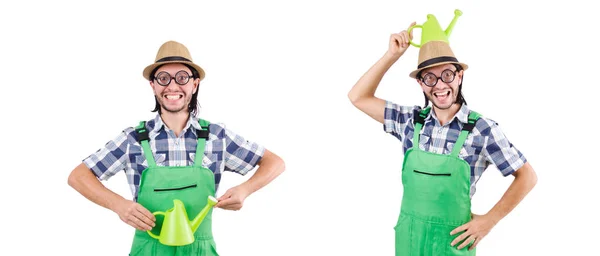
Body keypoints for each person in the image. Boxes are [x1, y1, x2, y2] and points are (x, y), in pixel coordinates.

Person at [67, 40, 285, 256]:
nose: (172, 86)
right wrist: (119, 205)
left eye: (182, 77)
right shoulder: (132, 139)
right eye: (163, 78)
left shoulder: (218, 136)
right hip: (149, 249)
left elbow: (274, 162)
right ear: (153, 85)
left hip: (200, 249)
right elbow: (78, 176)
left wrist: (244, 190)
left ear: (194, 84)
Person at [347, 22, 537, 255]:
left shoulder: (482, 129)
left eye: (447, 74)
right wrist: (391, 55)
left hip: (452, 244)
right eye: (429, 78)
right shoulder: (410, 121)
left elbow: (527, 175)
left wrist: (489, 221)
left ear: (459, 76)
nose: (439, 85)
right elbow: (358, 97)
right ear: (420, 83)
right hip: (410, 240)